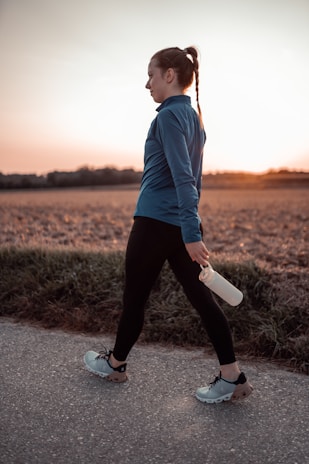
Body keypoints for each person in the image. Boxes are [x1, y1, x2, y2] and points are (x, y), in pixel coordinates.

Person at [84, 46, 253, 404]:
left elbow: (183, 179)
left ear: (170, 75)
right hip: (179, 225)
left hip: (156, 224)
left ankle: (115, 365)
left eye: (151, 74)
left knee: (135, 299)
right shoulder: (194, 118)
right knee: (204, 300)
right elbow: (195, 182)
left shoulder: (167, 118)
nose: (147, 84)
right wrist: (192, 228)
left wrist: (192, 234)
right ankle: (232, 377)